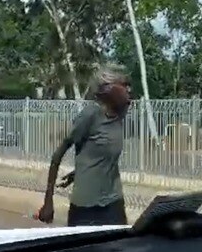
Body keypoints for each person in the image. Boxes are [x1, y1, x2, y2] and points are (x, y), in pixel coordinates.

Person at [35, 65, 131, 227]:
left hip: (113, 202)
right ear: (107, 89)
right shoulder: (90, 115)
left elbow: (99, 153)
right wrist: (48, 202)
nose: (128, 89)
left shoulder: (119, 116)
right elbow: (58, 154)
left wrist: (79, 170)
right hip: (86, 206)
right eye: (123, 85)